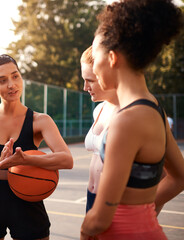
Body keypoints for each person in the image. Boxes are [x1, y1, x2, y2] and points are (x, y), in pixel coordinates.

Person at [80, 0, 184, 239]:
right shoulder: (153, 108)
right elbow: (180, 177)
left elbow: (98, 220)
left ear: (113, 58)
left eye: (95, 58)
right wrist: (142, 208)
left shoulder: (126, 121)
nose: (93, 69)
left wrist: (86, 230)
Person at [0, 54, 73, 240]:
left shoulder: (40, 121)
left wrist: (24, 160)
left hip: (28, 200)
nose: (11, 84)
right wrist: (0, 162)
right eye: (2, 80)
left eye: (15, 76)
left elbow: (66, 159)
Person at [81, 46, 119, 212]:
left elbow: (165, 175)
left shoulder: (133, 112)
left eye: (90, 80)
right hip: (92, 197)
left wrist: (143, 215)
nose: (85, 87)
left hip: (114, 204)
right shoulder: (99, 110)